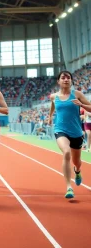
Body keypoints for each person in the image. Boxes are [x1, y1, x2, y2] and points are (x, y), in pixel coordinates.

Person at [49, 70, 91, 199]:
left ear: (71, 81)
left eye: (68, 77)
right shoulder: (53, 96)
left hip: (76, 132)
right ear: (59, 81)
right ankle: (69, 187)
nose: (66, 79)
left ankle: (77, 171)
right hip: (60, 129)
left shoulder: (77, 94)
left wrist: (81, 104)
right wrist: (50, 116)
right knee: (66, 152)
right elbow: (53, 105)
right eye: (63, 77)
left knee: (76, 161)